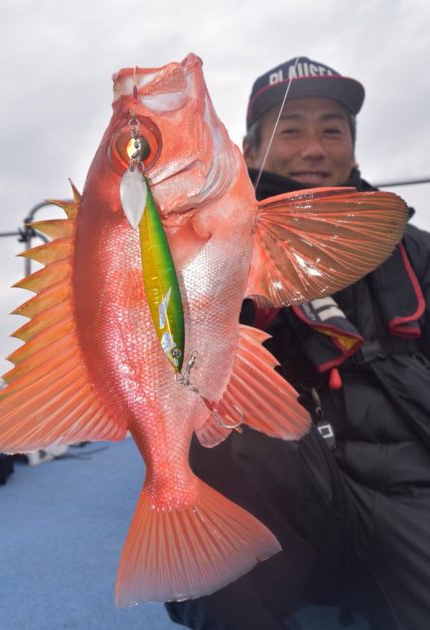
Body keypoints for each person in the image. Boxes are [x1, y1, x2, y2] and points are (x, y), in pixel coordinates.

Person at [165, 57, 430, 629]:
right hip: (298, 487)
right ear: (249, 152)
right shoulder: (207, 239)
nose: (313, 147)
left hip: (414, 487)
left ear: (353, 152)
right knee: (224, 430)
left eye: (331, 129)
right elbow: (173, 353)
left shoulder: (416, 248)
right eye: (291, 129)